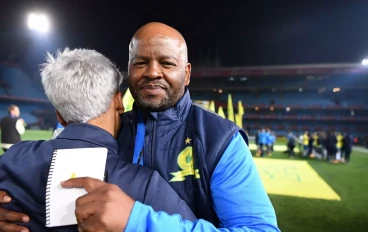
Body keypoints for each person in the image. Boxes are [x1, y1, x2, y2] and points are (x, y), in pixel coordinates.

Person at [0, 23, 279, 232]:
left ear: (187, 73)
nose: (153, 72)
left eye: (167, 63)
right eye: (141, 62)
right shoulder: (106, 132)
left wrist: (137, 221)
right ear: (129, 70)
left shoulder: (220, 139)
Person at [0, 48, 196, 232]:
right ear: (118, 101)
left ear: (59, 116)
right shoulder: (145, 184)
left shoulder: (13, 159)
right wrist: (136, 219)